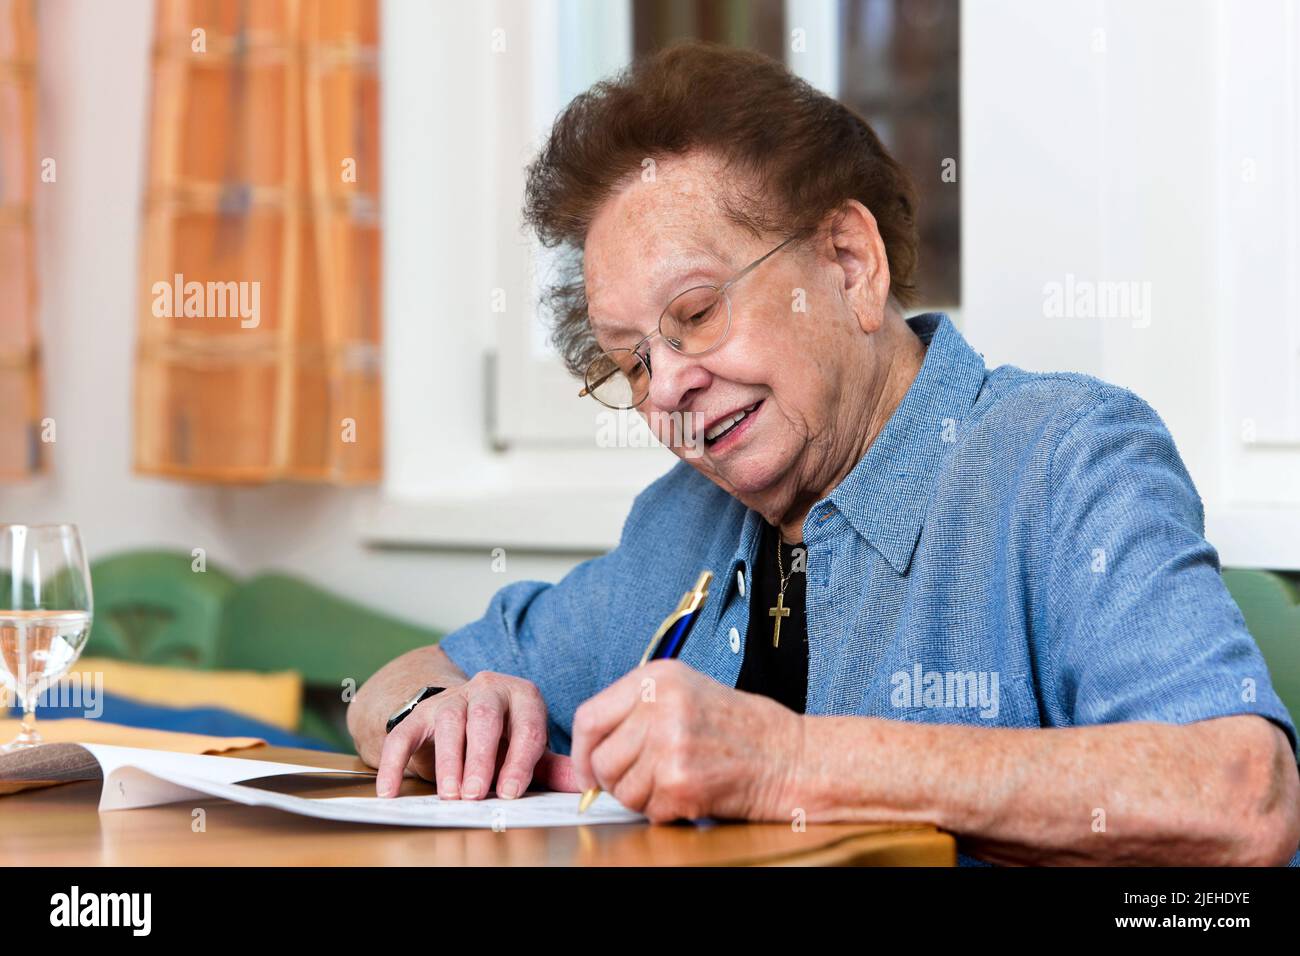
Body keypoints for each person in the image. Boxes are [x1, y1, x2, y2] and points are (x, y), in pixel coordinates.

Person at [348, 42, 1299, 865]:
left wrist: (787, 762)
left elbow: (1240, 797)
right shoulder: (677, 525)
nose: (667, 384)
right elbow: (404, 681)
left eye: (696, 312)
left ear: (850, 261)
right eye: (630, 360)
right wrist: (441, 718)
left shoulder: (1063, 458)